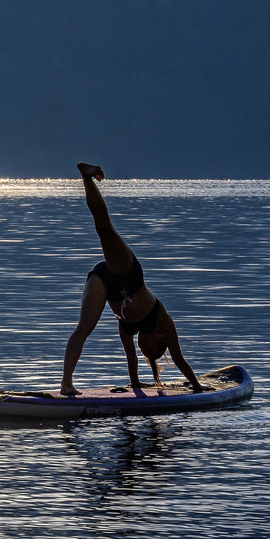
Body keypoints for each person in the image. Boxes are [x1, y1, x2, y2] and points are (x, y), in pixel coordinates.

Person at [61, 162, 202, 395]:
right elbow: (178, 358)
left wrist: (136, 385)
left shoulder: (127, 329)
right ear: (158, 338)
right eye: (149, 350)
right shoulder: (164, 322)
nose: (143, 349)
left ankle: (66, 384)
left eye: (144, 352)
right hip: (128, 275)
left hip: (105, 283)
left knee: (84, 327)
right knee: (104, 229)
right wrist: (197, 386)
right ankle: (86, 176)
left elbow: (131, 358)